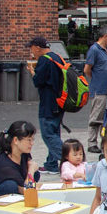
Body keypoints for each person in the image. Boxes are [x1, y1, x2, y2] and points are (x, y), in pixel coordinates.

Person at [0, 121, 41, 204]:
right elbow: (27, 191)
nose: (32, 143)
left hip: (12, 188)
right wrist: (31, 170)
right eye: (28, 140)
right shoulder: (4, 165)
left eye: (32, 139)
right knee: (11, 186)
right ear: (16, 140)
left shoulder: (23, 153)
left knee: (35, 174)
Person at [26, 37, 64, 173]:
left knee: (48, 134)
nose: (31, 52)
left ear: (37, 47)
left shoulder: (44, 60)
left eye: (31, 49)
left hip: (48, 103)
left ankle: (69, 159)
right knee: (55, 132)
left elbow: (38, 81)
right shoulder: (57, 57)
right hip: (59, 102)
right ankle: (51, 164)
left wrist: (32, 72)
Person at [85, 25, 107, 153]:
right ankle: (91, 142)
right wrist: (96, 79)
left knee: (106, 116)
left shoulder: (105, 49)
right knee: (96, 116)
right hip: (99, 89)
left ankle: (103, 140)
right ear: (106, 36)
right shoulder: (94, 50)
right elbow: (87, 69)